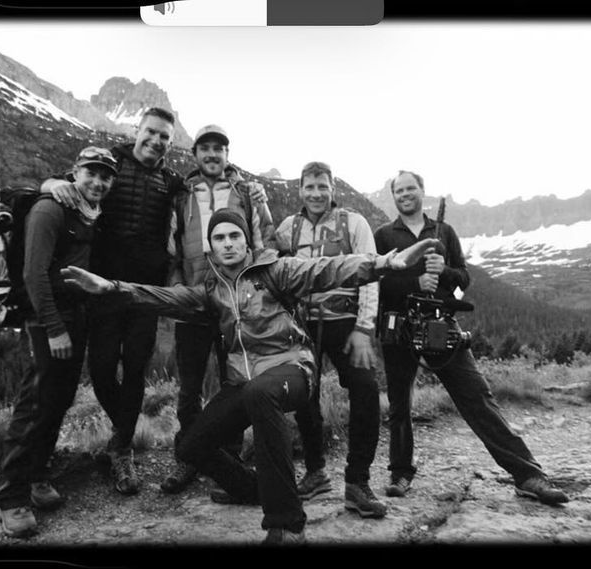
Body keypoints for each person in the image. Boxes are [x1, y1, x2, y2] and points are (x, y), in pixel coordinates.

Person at [60, 211, 443, 544]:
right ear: (211, 248)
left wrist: (385, 263)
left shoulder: (275, 271)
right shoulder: (211, 291)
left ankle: (287, 525)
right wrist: (112, 288)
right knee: (190, 446)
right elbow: (166, 298)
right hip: (243, 382)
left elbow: (327, 268)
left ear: (246, 241)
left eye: (234, 236)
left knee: (262, 393)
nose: (228, 243)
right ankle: (253, 489)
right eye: (219, 238)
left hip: (292, 369)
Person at [373, 170, 569, 505]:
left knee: (477, 398)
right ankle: (400, 473)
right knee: (399, 406)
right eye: (399, 190)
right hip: (400, 330)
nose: (405, 194)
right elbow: (376, 280)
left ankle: (527, 475)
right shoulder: (383, 235)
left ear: (422, 190)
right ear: (393, 196)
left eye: (410, 188)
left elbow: (464, 277)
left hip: (441, 327)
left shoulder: (445, 232)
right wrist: (414, 283)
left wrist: (445, 271)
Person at [41, 107, 186, 496]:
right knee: (102, 369)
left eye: (164, 137)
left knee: (135, 369)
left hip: (144, 294)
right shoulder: (110, 164)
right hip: (101, 288)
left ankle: (121, 449)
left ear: (171, 142)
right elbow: (66, 180)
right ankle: (125, 435)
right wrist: (49, 185)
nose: (156, 140)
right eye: (151, 132)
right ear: (138, 130)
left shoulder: (171, 181)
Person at [0, 147, 119, 538]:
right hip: (48, 318)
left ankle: (37, 475)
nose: (98, 181)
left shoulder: (90, 212)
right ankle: (11, 498)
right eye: (91, 173)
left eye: (105, 176)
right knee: (35, 403)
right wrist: (53, 328)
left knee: (59, 399)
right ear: (75, 172)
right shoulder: (50, 209)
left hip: (76, 315)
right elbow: (34, 275)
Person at [160, 124, 275, 494]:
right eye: (205, 148)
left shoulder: (245, 192)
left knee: (236, 384)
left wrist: (256, 290)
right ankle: (189, 457)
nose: (212, 154)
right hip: (194, 303)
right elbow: (172, 248)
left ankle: (231, 459)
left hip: (235, 303)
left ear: (227, 154)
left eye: (218, 149)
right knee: (189, 387)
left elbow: (264, 241)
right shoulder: (181, 194)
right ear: (195, 154)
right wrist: (177, 287)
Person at [274, 161, 386, 518]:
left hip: (346, 323)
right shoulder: (288, 228)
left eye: (322, 186)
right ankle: (316, 472)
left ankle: (357, 482)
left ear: (332, 189)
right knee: (304, 397)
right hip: (302, 325)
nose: (316, 193)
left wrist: (364, 329)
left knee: (365, 390)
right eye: (309, 187)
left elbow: (371, 273)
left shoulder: (354, 223)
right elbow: (273, 269)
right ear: (300, 190)